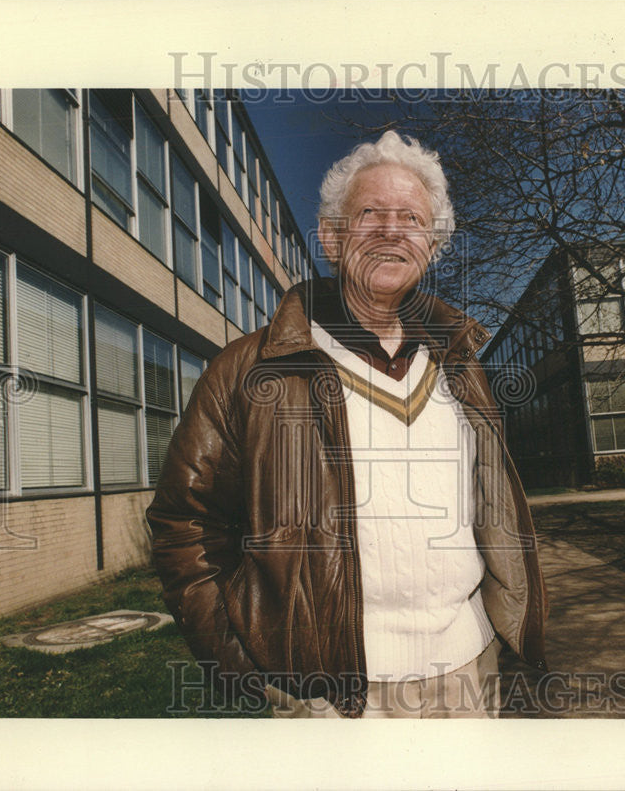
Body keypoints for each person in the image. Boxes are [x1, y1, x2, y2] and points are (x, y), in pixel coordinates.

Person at [146, 131, 548, 719]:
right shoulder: (248, 370)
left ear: (432, 247)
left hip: (469, 669)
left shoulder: (462, 367)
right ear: (332, 238)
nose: (392, 231)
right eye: (370, 215)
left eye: (412, 218)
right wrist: (242, 665)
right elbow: (185, 525)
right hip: (331, 698)